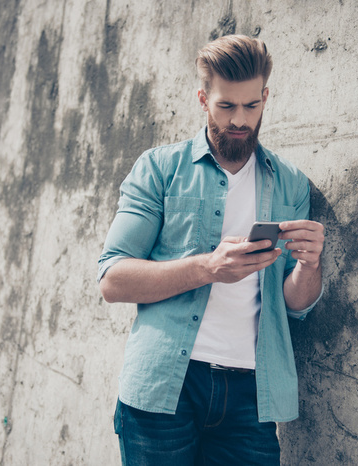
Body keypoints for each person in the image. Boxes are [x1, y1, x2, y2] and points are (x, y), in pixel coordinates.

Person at [98, 34, 324, 465]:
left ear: (265, 97)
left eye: (251, 106)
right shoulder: (160, 169)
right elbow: (112, 280)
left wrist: (309, 265)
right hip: (165, 387)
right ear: (203, 99)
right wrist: (207, 268)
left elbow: (295, 306)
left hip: (250, 396)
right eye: (226, 106)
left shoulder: (291, 183)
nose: (240, 120)